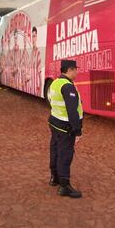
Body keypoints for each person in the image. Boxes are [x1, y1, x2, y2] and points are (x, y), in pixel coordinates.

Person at [47, 59, 83, 199]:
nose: (76, 72)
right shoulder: (68, 86)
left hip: (55, 123)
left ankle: (54, 178)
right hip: (65, 127)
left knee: (55, 150)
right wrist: (77, 130)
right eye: (75, 69)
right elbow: (72, 110)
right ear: (69, 70)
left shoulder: (55, 83)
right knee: (65, 155)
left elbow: (52, 101)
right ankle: (64, 186)